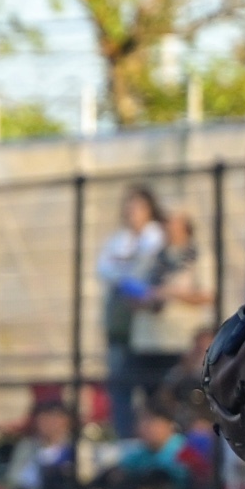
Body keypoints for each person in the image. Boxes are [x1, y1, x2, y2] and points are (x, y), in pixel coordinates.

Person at [95, 184, 167, 437]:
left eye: (138, 206)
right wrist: (125, 275)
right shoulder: (118, 240)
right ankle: (125, 438)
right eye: (129, 206)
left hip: (149, 330)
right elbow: (104, 269)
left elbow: (142, 271)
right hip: (120, 328)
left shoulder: (157, 237)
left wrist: (126, 273)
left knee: (152, 389)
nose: (131, 211)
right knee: (120, 386)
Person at [128, 207, 211, 422]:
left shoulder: (198, 257)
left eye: (174, 222)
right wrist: (147, 297)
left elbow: (208, 294)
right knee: (152, 399)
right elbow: (130, 290)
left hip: (181, 340)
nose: (168, 227)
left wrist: (173, 293)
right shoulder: (149, 257)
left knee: (179, 398)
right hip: (148, 342)